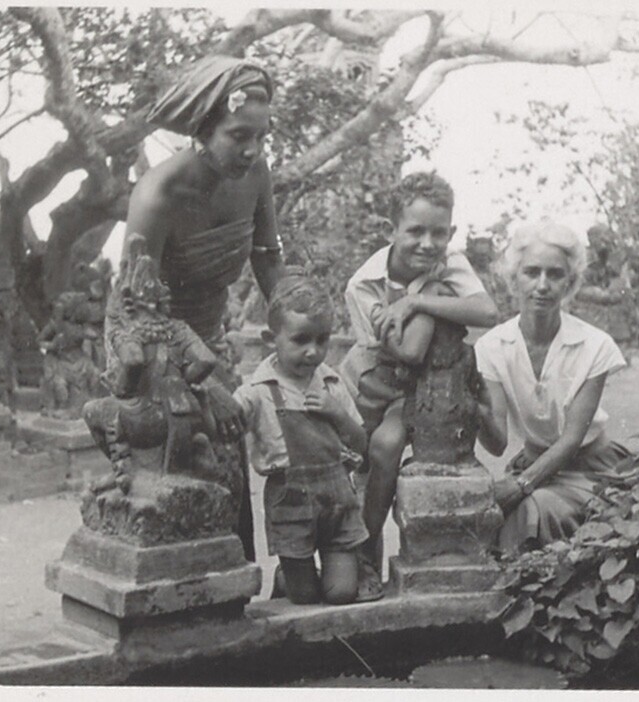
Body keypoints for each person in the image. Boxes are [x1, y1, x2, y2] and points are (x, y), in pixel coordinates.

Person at [126, 55, 286, 560]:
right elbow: (134, 310)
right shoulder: (158, 194)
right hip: (154, 354)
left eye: (260, 137)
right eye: (238, 136)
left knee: (230, 468)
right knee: (189, 466)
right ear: (203, 128)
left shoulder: (255, 174)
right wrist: (200, 383)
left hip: (211, 349)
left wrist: (294, 327)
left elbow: (267, 256)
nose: (251, 150)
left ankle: (232, 583)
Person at [340, 172, 499, 599]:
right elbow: (402, 351)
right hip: (373, 379)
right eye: (415, 231)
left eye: (438, 233)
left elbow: (487, 313)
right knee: (360, 465)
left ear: (451, 232)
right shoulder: (364, 284)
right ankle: (357, 556)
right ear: (390, 230)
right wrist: (439, 297)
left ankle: (366, 557)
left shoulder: (450, 264)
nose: (428, 244)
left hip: (418, 385)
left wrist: (418, 299)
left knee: (387, 446)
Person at [474, 220, 631, 555]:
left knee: (535, 509)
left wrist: (521, 485)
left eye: (555, 274)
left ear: (570, 283)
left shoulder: (594, 346)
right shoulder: (491, 347)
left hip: (592, 469)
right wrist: (474, 403)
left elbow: (572, 440)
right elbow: (497, 443)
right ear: (514, 278)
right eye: (532, 272)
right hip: (533, 467)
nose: (542, 285)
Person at [234, 272, 369, 605]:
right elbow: (230, 419)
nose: (313, 352)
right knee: (304, 597)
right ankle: (289, 575)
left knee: (341, 593)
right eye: (300, 340)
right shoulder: (257, 391)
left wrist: (337, 413)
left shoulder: (332, 383)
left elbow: (361, 443)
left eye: (322, 340)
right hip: (291, 504)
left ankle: (346, 570)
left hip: (336, 501)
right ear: (271, 339)